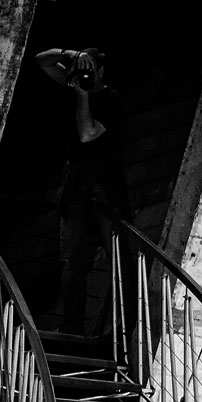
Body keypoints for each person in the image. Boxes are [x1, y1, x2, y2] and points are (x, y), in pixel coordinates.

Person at [35, 46, 131, 336]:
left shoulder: (112, 100)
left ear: (102, 71)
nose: (86, 76)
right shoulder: (73, 84)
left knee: (119, 262)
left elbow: (87, 133)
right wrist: (70, 54)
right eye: (83, 71)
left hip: (106, 188)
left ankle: (121, 331)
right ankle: (72, 328)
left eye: (91, 70)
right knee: (73, 262)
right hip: (77, 186)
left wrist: (84, 96)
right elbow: (41, 60)